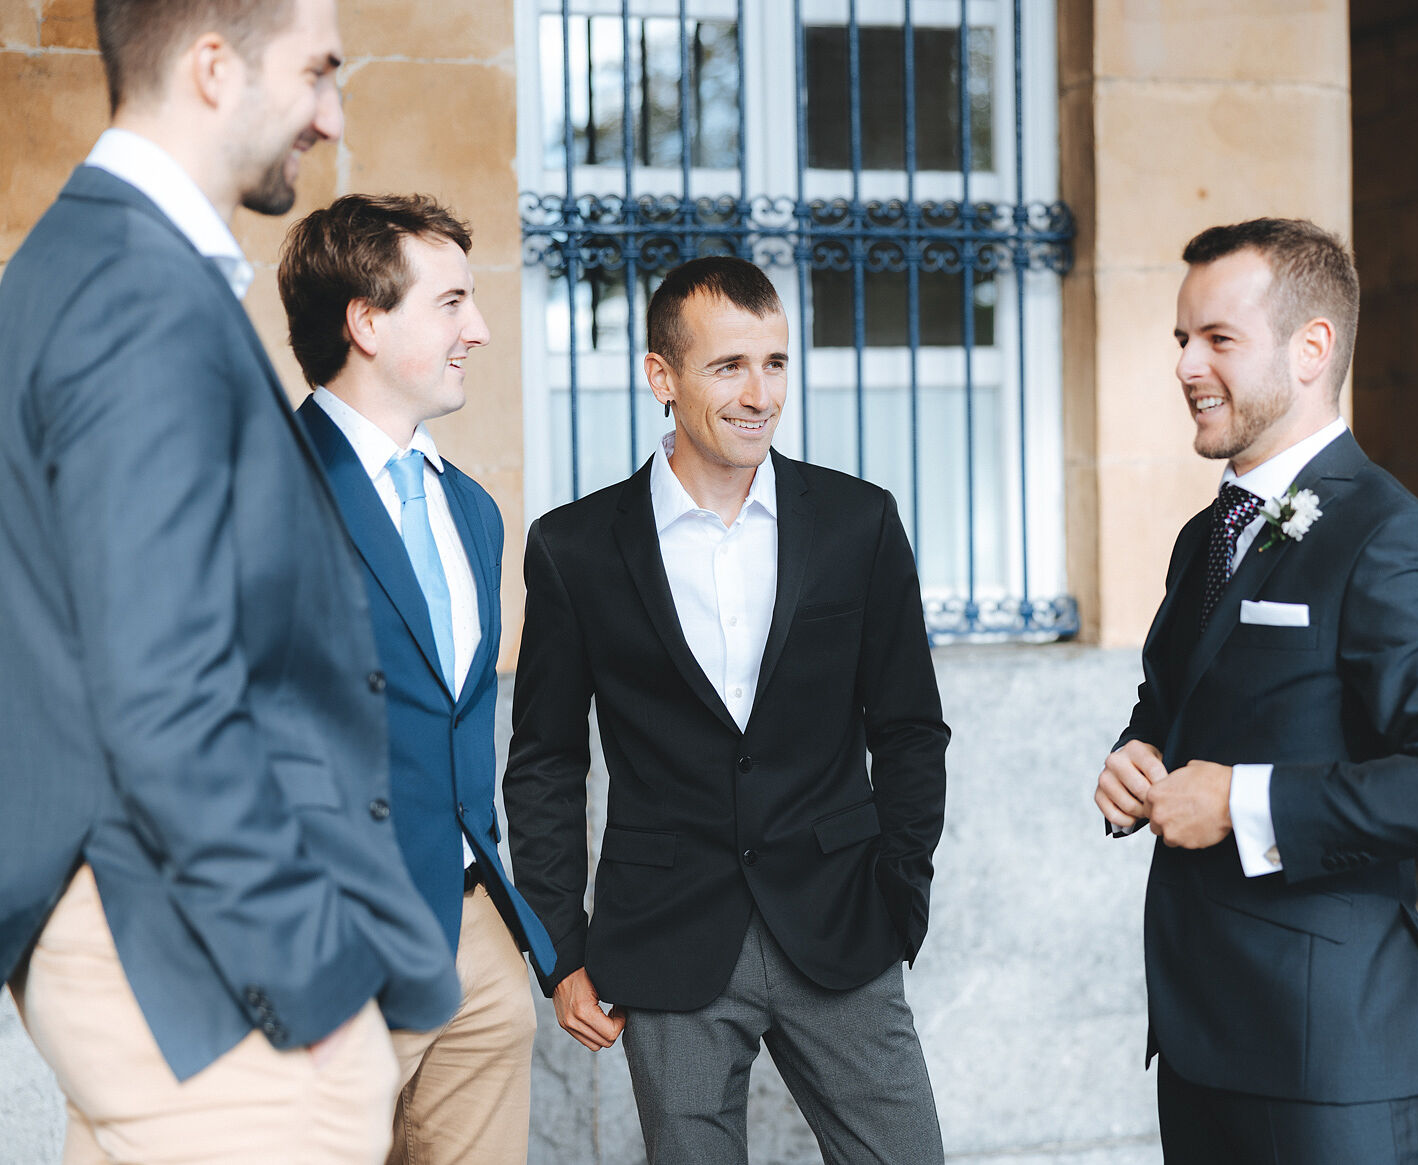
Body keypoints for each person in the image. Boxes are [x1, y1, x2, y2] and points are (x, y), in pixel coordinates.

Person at [0, 0, 460, 1160]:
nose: (332, 115)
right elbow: (163, 695)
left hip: (138, 938)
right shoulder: (138, 298)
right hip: (193, 954)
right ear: (213, 67)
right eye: (315, 74)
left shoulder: (77, 262)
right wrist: (311, 981)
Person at [504, 255, 950, 1164]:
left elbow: (908, 727)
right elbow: (546, 757)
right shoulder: (574, 547)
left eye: (776, 363)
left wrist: (900, 896)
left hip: (840, 923)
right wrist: (561, 944)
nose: (760, 394)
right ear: (661, 377)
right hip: (664, 940)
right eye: (728, 366)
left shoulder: (858, 521)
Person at [1093, 218, 1418, 1164]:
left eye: (1217, 339)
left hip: (1331, 1058)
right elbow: (1177, 707)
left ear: (1311, 348)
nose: (1185, 366)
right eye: (1180, 340)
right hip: (1199, 1042)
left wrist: (1241, 798)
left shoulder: (1396, 539)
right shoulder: (1203, 538)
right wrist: (1137, 758)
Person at [279, 193, 559, 1165]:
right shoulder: (259, 488)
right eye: (450, 303)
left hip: (473, 935)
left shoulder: (473, 511)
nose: (478, 330)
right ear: (365, 319)